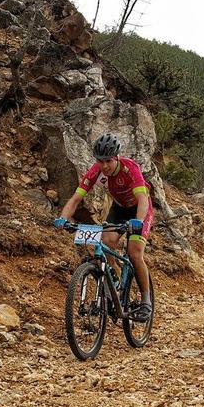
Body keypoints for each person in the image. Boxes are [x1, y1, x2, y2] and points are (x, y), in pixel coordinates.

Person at [54, 132, 154, 320]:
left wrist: (138, 222)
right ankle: (115, 282)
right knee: (106, 243)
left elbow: (142, 199)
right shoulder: (95, 171)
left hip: (140, 210)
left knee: (134, 253)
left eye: (108, 161)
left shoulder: (130, 168)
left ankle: (146, 301)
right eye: (101, 161)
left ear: (116, 157)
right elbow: (76, 199)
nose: (104, 166)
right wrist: (63, 218)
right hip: (119, 208)